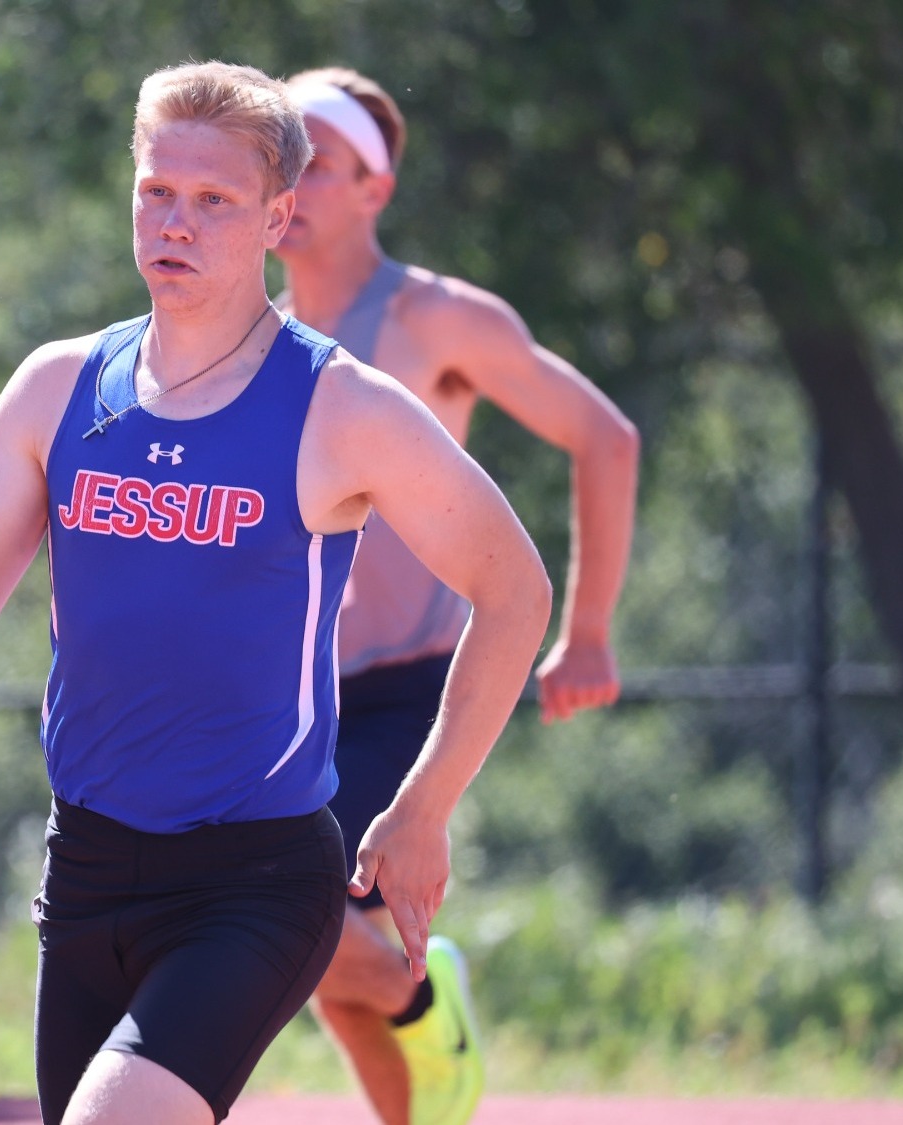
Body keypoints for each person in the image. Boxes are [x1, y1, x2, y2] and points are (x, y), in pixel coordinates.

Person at [0, 61, 551, 1125]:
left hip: (251, 880)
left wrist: (424, 807)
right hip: (87, 869)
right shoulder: (61, 387)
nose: (176, 222)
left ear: (275, 218)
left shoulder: (338, 406)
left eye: (213, 202)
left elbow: (515, 590)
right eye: (156, 192)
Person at [273, 67, 642, 1125]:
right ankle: (415, 1011)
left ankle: (422, 987)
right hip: (289, 686)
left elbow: (603, 438)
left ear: (372, 189)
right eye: (276, 157)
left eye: (315, 161)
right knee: (335, 987)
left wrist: (586, 632)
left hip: (404, 686)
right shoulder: (247, 328)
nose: (288, 182)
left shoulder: (433, 318)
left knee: (286, 915)